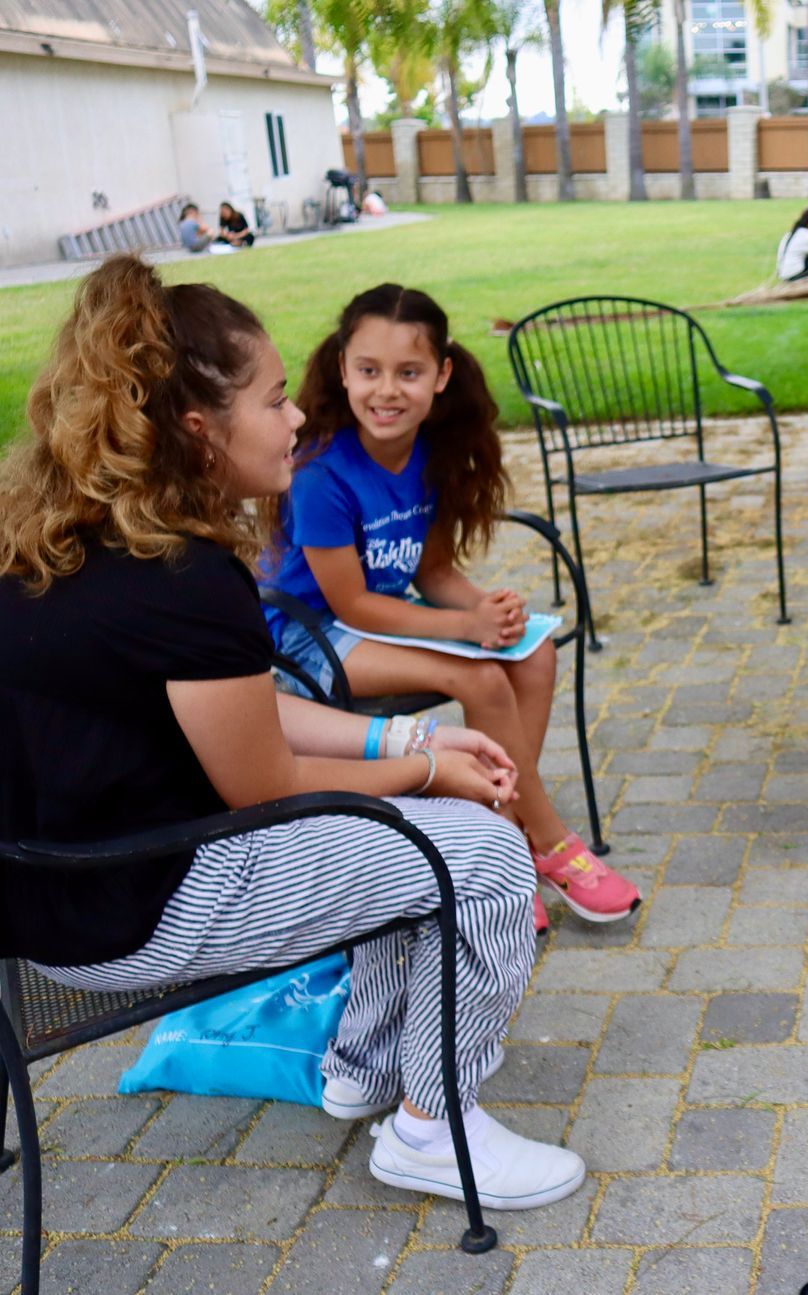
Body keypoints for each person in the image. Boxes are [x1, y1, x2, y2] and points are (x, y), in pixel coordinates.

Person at [0, 256, 589, 1211]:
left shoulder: (55, 530)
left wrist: (404, 748)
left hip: (41, 897)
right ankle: (434, 1129)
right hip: (140, 904)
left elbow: (243, 709)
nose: (298, 418)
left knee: (396, 833)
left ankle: (364, 1066)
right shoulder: (188, 578)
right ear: (200, 429)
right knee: (481, 857)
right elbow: (264, 791)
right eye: (274, 400)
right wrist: (432, 770)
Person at [258, 285, 640, 930]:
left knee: (533, 653)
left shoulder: (429, 456)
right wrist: (464, 629)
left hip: (375, 621)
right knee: (477, 673)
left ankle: (497, 837)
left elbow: (431, 572)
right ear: (343, 369)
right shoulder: (322, 474)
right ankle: (544, 840)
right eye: (369, 371)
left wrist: (484, 606)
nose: (387, 391)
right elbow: (350, 603)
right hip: (304, 641)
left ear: (442, 375)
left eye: (408, 373)